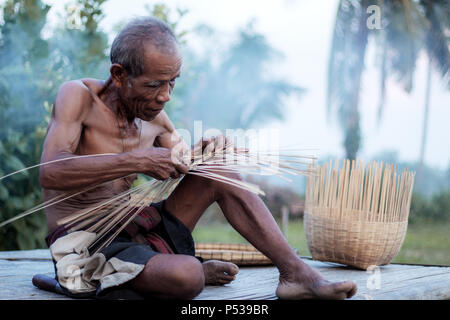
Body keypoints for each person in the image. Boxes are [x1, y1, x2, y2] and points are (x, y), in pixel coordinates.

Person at [39, 16, 357, 300]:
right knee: (188, 275)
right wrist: (141, 160)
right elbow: (50, 172)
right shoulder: (78, 97)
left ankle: (295, 274)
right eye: (154, 84)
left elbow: (181, 161)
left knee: (217, 170)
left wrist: (205, 154)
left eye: (172, 81)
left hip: (135, 232)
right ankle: (185, 271)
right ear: (120, 75)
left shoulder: (155, 119)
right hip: (85, 247)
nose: (165, 95)